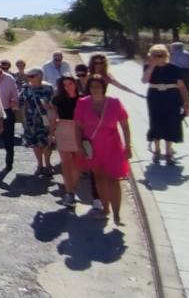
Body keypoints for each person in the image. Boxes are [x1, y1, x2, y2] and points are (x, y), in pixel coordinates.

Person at [75, 75, 132, 226]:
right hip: (92, 147)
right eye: (92, 86)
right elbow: (78, 127)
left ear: (103, 87)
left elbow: (125, 126)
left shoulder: (114, 103)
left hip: (112, 146)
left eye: (98, 86)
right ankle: (105, 209)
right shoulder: (82, 103)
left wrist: (128, 146)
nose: (95, 89)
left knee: (113, 179)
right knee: (99, 178)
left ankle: (117, 214)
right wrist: (79, 146)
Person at [141, 44, 189, 165]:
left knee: (171, 121)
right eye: (155, 55)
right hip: (155, 96)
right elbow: (144, 80)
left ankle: (168, 151)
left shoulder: (174, 68)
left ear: (166, 56)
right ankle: (157, 149)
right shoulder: (148, 67)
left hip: (172, 96)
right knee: (155, 121)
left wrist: (186, 102)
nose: (158, 58)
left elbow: (182, 86)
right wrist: (152, 66)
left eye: (161, 55)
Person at [50, 76, 82, 207]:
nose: (68, 86)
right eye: (65, 84)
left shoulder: (83, 99)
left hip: (80, 129)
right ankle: (69, 192)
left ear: (75, 84)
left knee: (78, 163)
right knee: (66, 162)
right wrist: (51, 133)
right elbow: (53, 117)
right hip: (63, 128)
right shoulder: (58, 100)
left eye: (70, 83)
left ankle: (72, 188)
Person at [20, 68, 54, 176]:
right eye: (28, 76)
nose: (29, 78)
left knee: (46, 143)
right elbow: (20, 102)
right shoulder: (26, 88)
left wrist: (48, 107)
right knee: (35, 144)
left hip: (45, 120)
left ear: (40, 76)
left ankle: (48, 165)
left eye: (32, 76)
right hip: (31, 121)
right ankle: (40, 165)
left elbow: (54, 105)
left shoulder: (48, 88)